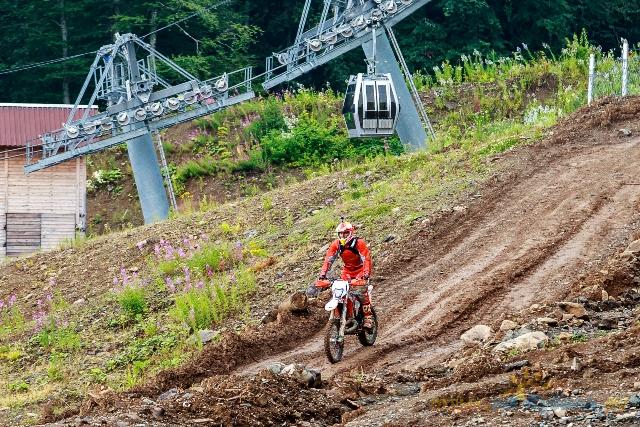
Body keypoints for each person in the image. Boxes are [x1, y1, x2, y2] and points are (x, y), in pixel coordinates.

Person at [309, 219, 374, 328]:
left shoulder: (359, 243)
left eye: (345, 233)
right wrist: (322, 275)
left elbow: (366, 259)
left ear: (350, 233)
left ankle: (368, 317)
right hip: (347, 271)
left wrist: (366, 274)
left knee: (362, 292)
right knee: (339, 292)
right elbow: (328, 260)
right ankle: (346, 315)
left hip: (360, 271)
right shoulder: (336, 244)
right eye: (341, 234)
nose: (343, 236)